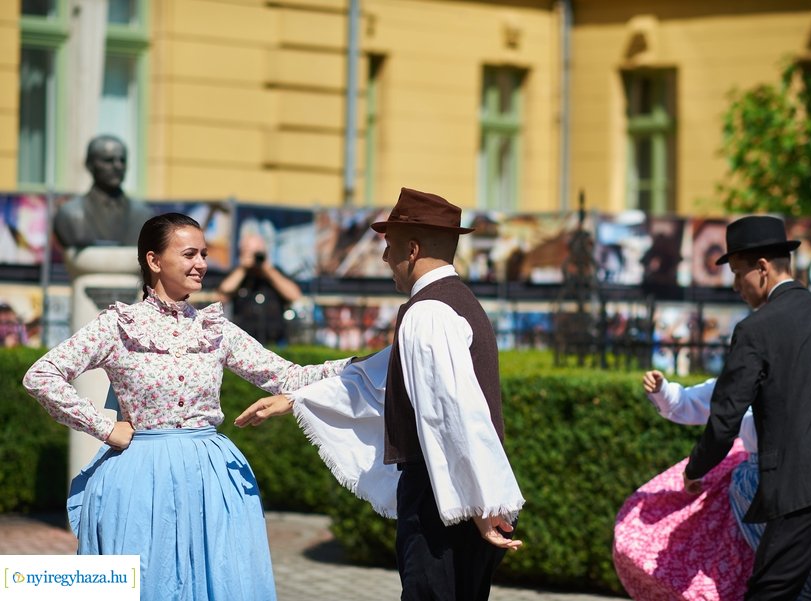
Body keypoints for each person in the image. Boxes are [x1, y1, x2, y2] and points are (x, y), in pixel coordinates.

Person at [23, 213, 352, 600]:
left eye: (205, 254)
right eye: (190, 254)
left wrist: (361, 367)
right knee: (146, 581)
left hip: (210, 477)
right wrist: (104, 427)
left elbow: (288, 377)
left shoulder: (213, 328)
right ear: (154, 260)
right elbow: (41, 375)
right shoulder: (118, 325)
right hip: (140, 478)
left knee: (221, 580)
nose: (202, 264)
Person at [236, 188, 525, 601]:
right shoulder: (455, 303)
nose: (385, 259)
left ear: (412, 248)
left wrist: (482, 504)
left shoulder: (427, 312)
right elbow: (378, 371)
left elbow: (454, 414)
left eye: (389, 248)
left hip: (444, 500)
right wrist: (295, 398)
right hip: (461, 496)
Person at [612, 331, 811, 600]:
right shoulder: (739, 383)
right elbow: (689, 403)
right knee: (775, 573)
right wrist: (662, 390)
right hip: (758, 490)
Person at [681, 215, 811, 600]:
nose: (737, 286)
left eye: (739, 274)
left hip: (803, 485)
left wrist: (695, 468)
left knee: (770, 592)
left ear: (762, 269)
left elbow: (725, 420)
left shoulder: (755, 330)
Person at [53, 135, 155, 248]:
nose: (117, 166)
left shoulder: (144, 215)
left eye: (122, 160)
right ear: (90, 165)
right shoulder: (70, 214)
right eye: (108, 160)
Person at [216, 232, 304, 346]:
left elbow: (295, 296)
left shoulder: (274, 272)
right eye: (248, 251)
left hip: (275, 341)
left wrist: (268, 270)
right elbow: (222, 294)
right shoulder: (237, 274)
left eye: (257, 252)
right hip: (243, 342)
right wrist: (243, 269)